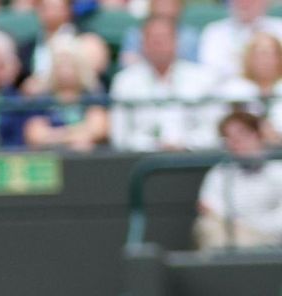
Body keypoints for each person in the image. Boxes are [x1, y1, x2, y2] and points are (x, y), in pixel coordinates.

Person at [108, 15, 219, 153]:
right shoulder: (124, 81)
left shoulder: (203, 78)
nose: (158, 43)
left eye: (163, 38)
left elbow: (213, 131)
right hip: (141, 161)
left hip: (194, 160)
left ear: (176, 41)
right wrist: (154, 145)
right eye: (152, 38)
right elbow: (120, 137)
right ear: (142, 43)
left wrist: (184, 144)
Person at [193, 111, 282, 250]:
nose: (235, 142)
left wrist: (257, 227)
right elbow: (209, 207)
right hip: (231, 235)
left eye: (242, 134)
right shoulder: (219, 172)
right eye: (228, 137)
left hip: (272, 238)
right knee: (208, 226)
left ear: (258, 135)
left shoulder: (277, 168)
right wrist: (240, 226)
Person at [22, 41, 109, 153]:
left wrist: (52, 136)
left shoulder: (92, 95)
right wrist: (73, 136)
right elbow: (35, 135)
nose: (65, 70)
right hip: (51, 156)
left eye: (70, 65)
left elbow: (98, 129)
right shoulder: (42, 98)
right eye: (60, 64)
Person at [198, 0, 282, 81]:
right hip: (230, 92)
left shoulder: (279, 28)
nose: (244, 3)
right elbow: (211, 70)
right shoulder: (214, 31)